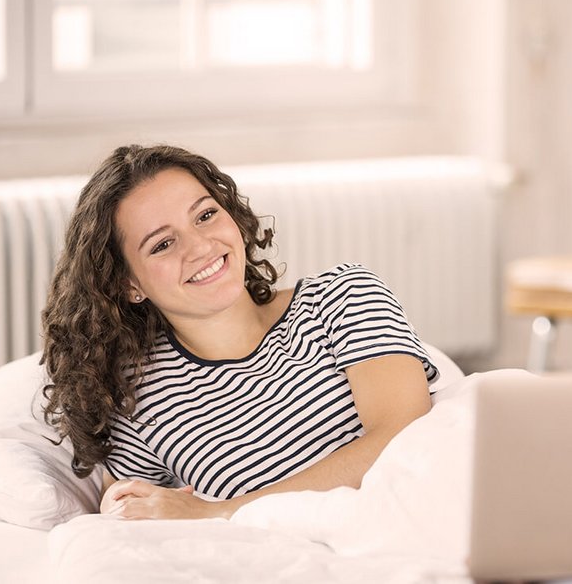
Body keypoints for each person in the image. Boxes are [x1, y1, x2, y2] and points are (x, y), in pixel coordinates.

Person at [41, 144, 437, 520]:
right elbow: (125, 511)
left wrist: (223, 512)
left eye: (205, 215)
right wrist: (120, 503)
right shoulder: (138, 395)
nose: (200, 246)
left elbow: (402, 437)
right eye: (162, 244)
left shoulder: (343, 297)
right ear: (129, 284)